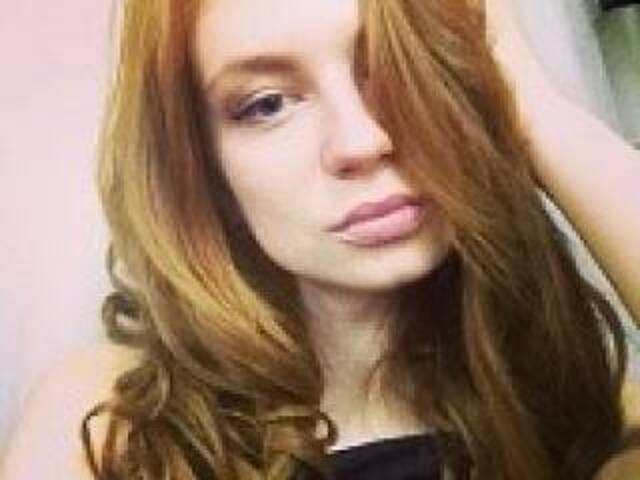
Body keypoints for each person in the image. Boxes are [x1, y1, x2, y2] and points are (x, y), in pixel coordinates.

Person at [2, 0, 640, 478]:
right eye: (267, 104)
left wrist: (536, 114)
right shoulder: (110, 423)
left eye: (397, 70)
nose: (362, 141)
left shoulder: (581, 413)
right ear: (207, 173)